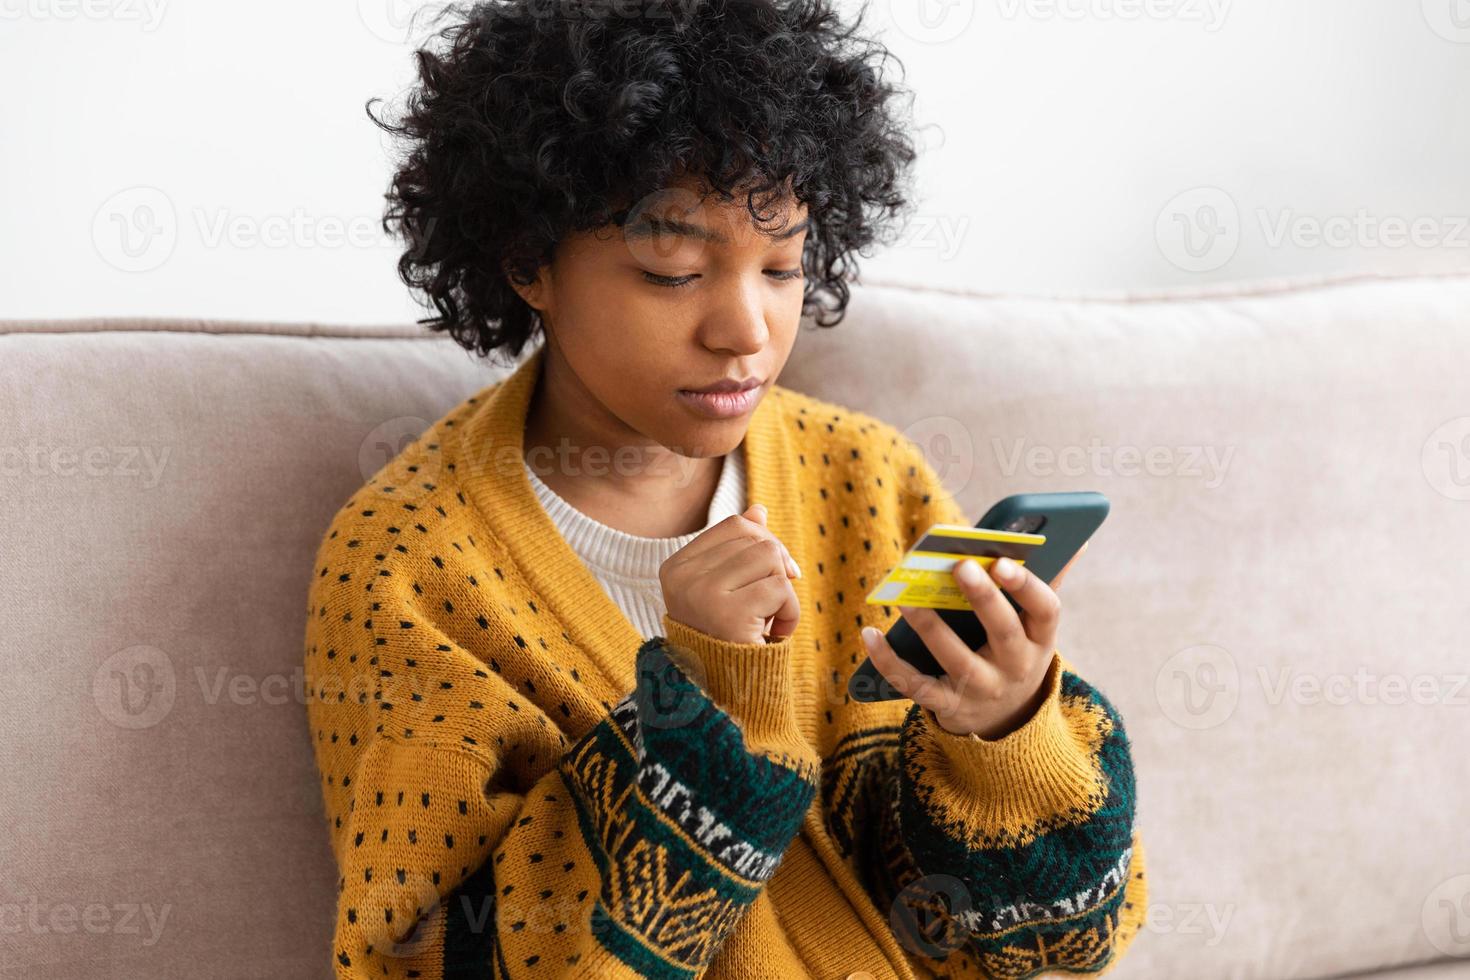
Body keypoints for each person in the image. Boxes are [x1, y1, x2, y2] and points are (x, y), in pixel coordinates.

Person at [304, 1, 1148, 976]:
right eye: (672, 270)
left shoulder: (866, 477)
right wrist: (702, 706)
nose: (745, 329)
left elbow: (1065, 943)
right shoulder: (408, 566)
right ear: (529, 259)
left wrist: (1003, 727)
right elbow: (417, 957)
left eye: (783, 263)